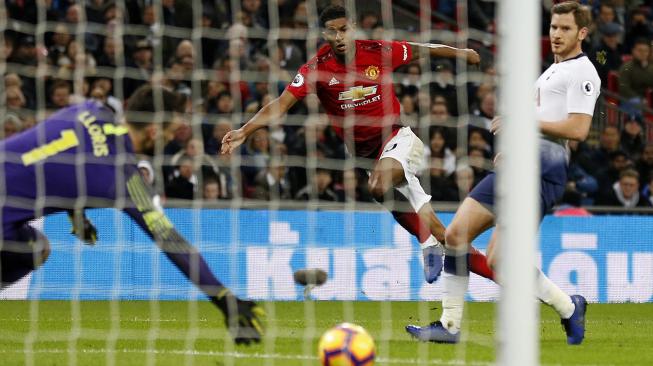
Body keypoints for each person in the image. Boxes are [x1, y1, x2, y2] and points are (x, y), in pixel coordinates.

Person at [220, 4, 494, 284]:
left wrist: (461, 53)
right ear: (323, 34)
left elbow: (422, 48)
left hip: (399, 139)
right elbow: (281, 104)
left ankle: (427, 244)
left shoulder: (378, 51)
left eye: (344, 30)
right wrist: (245, 130)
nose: (339, 37)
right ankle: (505, 280)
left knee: (378, 187)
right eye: (331, 32)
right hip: (367, 158)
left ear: (353, 27)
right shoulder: (316, 68)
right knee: (441, 232)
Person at [0, 85, 264, 345]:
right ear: (152, 131)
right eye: (171, 132)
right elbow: (171, 240)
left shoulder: (91, 108)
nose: (172, 139)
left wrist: (76, 216)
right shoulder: (125, 179)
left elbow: (61, 154)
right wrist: (222, 298)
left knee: (34, 248)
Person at [406, 1, 599, 345]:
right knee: (456, 236)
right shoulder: (551, 72)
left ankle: (569, 307)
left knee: (500, 261)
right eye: (554, 27)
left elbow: (578, 128)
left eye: (565, 28)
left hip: (542, 174)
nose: (556, 34)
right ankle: (449, 326)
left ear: (582, 33)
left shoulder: (583, 72)